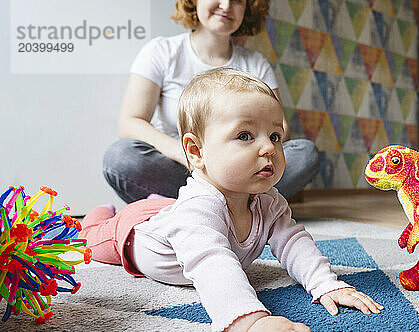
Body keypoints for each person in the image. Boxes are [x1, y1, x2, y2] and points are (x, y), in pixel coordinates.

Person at [81, 68, 384, 332]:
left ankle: (156, 204)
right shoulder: (198, 209)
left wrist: (324, 284)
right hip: (133, 231)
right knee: (89, 239)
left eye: (275, 136)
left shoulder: (269, 201)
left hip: (169, 211)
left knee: (171, 211)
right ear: (196, 152)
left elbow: (293, 242)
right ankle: (100, 214)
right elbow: (213, 262)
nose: (268, 148)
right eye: (245, 136)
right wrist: (250, 323)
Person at [104, 0, 319, 203]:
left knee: (305, 154)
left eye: (237, 0)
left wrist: (238, 156)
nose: (226, 5)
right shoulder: (161, 52)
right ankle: (234, 207)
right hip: (183, 167)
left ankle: (213, 207)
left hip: (242, 168)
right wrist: (185, 154)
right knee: (121, 157)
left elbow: (281, 129)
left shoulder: (255, 63)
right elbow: (130, 122)